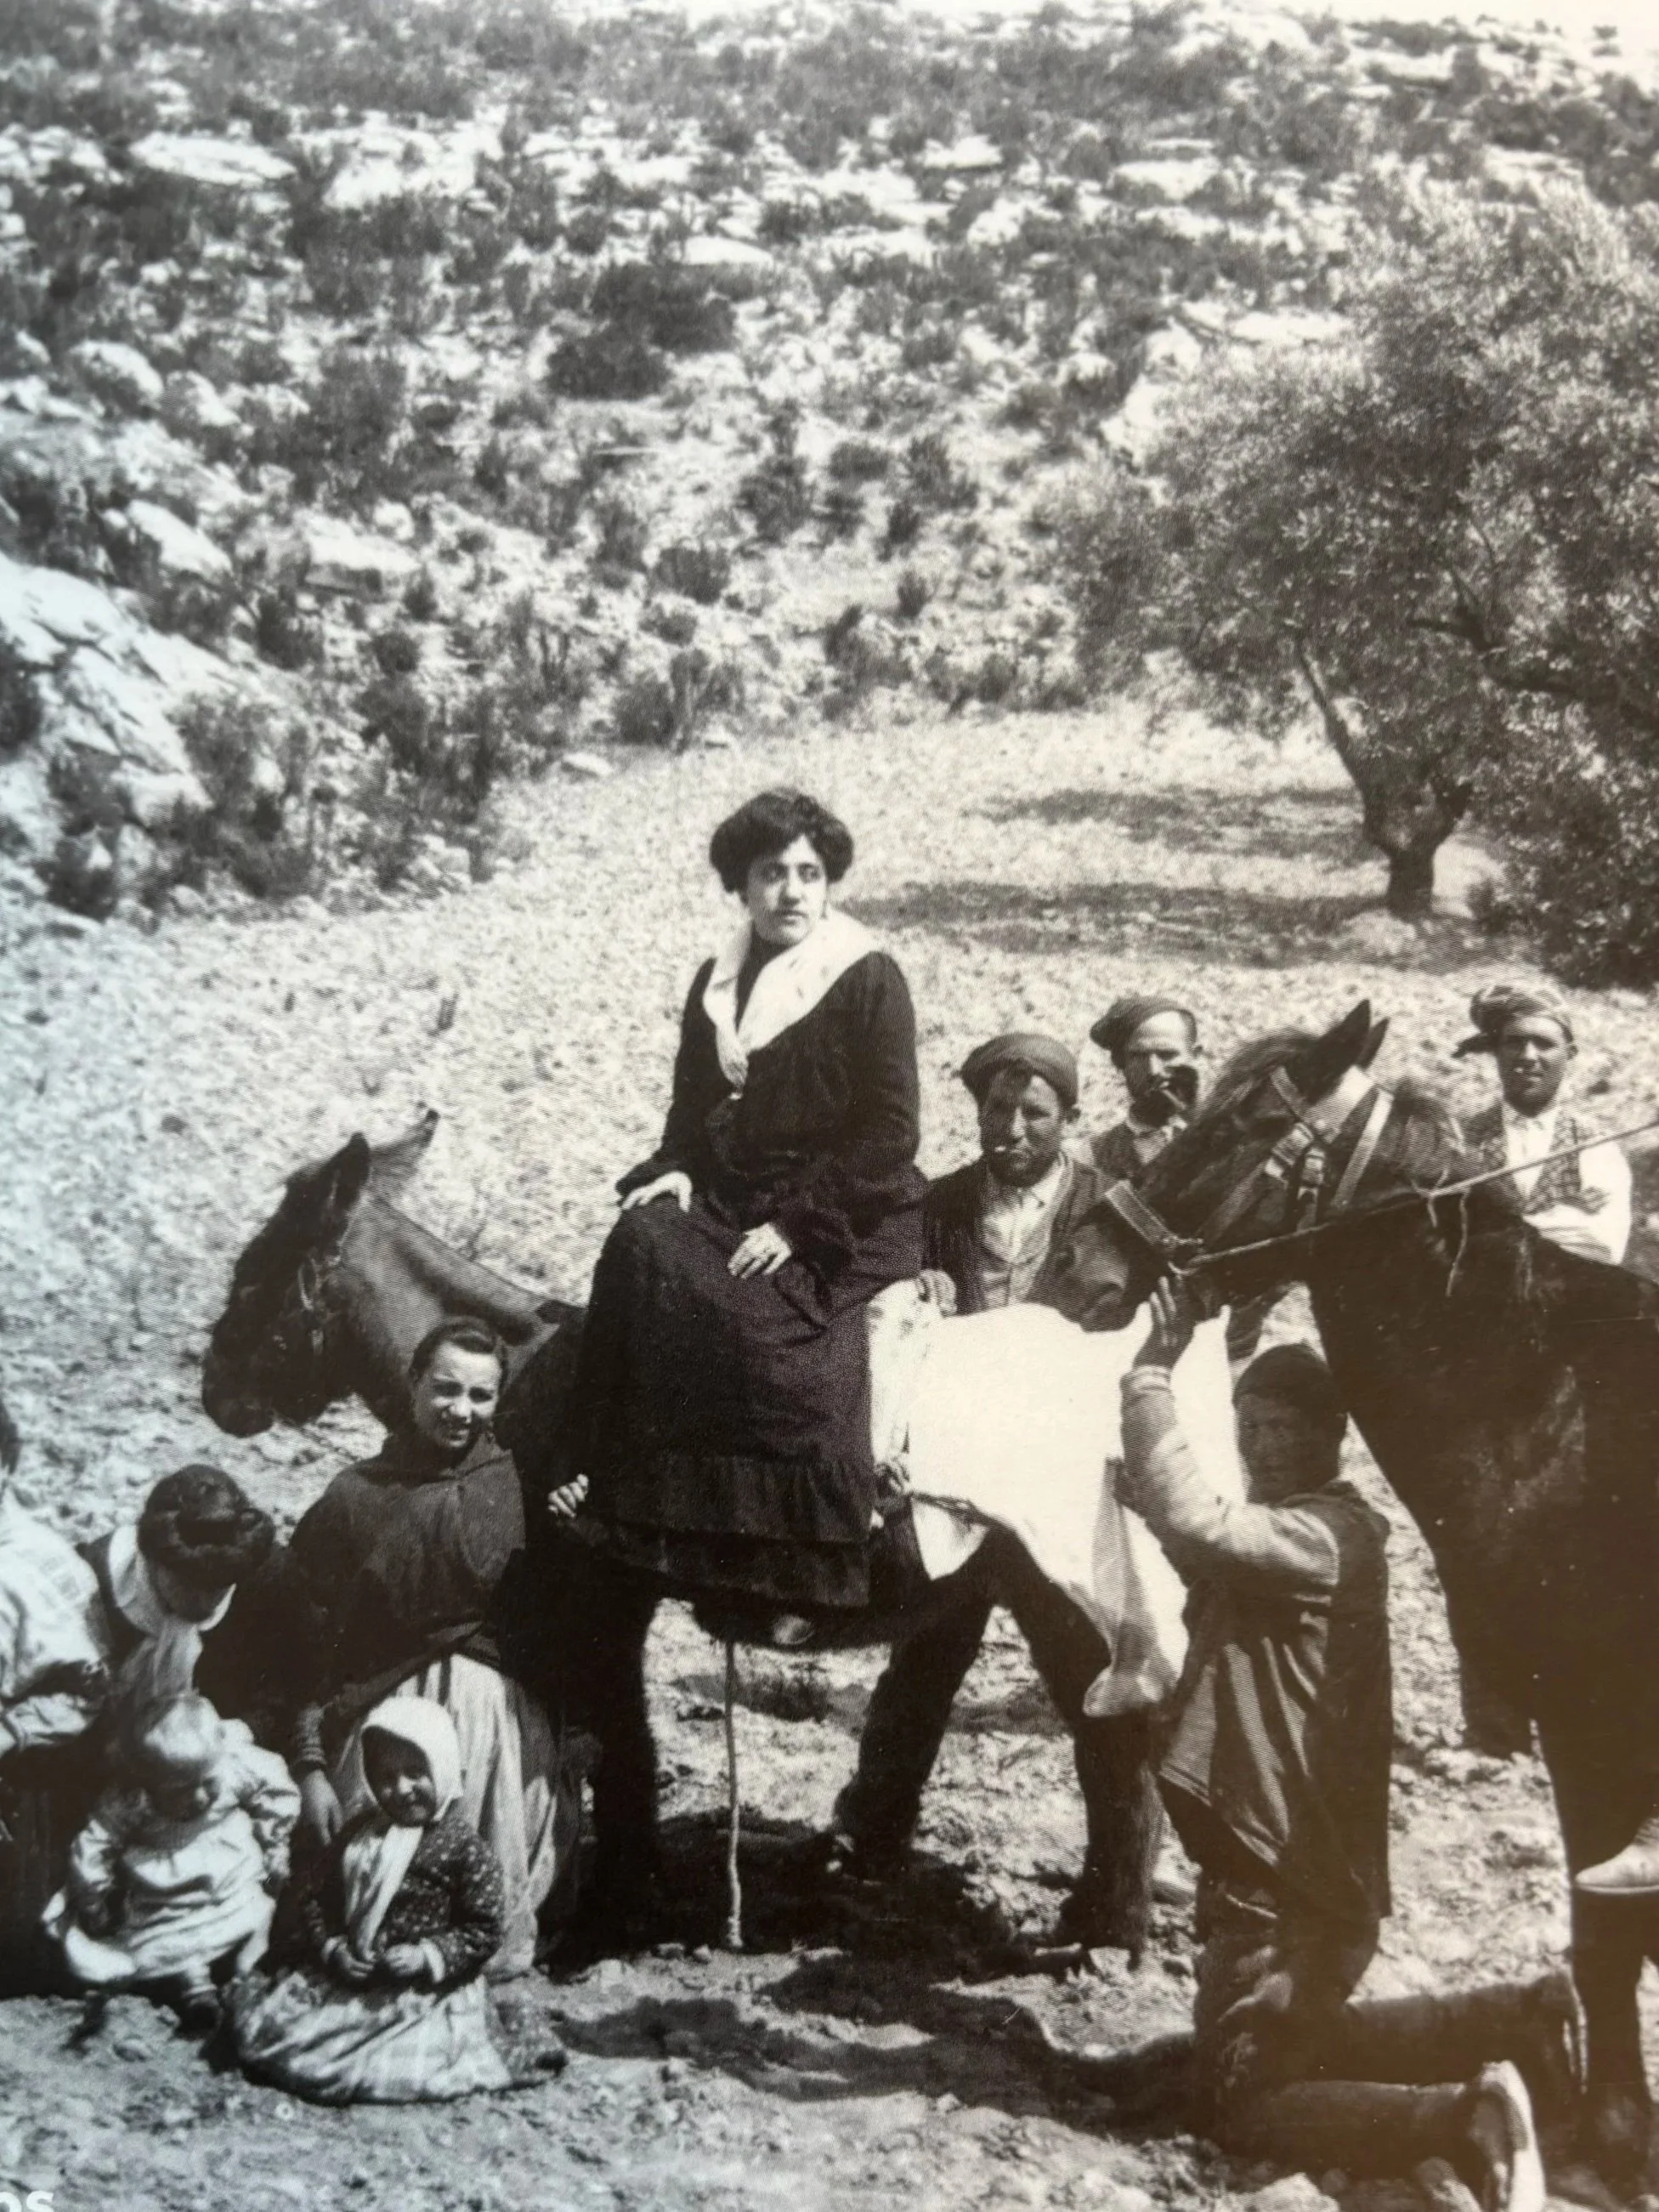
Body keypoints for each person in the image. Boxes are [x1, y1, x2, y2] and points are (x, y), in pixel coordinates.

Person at [1094, 1283, 1571, 2211]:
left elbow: (1209, 1527)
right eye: (1247, 1431)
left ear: (1330, 1439)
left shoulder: (1329, 1536)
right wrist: (1149, 1501)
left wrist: (1150, 1374)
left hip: (1278, 1876)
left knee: (1238, 2100)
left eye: (1278, 1430)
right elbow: (1209, 1560)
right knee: (1298, 2039)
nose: (1259, 1449)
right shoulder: (1310, 1537)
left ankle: (1459, 2115)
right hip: (1304, 1869)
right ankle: (1517, 2018)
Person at [831, 1030, 1164, 1952]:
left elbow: (1148, 1325)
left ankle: (1117, 1892)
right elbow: (887, 1309)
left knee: (1084, 1674)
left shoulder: (1111, 1212)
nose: (1010, 1130)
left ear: (1070, 1121)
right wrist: (916, 1283)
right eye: (994, 1112)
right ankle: (872, 1832)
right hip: (959, 1474)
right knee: (925, 1654)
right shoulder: (939, 1204)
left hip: (1061, 1482)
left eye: (1033, 1115)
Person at [563, 787, 926, 1625]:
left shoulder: (868, 975)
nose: (792, 891)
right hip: (732, 1196)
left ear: (828, 882)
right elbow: (691, 1110)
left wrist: (795, 1224)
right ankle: (624, 1504)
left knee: (761, 1329)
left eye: (808, 872)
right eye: (772, 873)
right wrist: (679, 1169)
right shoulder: (717, 981)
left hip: (848, 1212)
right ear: (741, 885)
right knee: (640, 1245)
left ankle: (796, 1555)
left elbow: (891, 1134)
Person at [288, 1318, 575, 1982]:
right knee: (346, 1905)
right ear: (413, 1384)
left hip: (492, 1724)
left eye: (481, 1396)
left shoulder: (521, 1489)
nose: (461, 1411)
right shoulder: (355, 1496)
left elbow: (559, 1625)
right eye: (445, 1389)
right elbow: (307, 1641)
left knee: (474, 1898)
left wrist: (574, 1526)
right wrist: (307, 1764)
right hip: (379, 1714)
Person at [229, 1699, 558, 2102]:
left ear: (444, 1766)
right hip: (354, 1975)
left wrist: (428, 1955)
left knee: (414, 2060)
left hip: (419, 1990)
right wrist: (333, 1947)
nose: (400, 1789)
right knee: (278, 2035)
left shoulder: (462, 1848)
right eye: (385, 1776)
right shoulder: (358, 1835)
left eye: (416, 1773)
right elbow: (318, 1898)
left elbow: (484, 1928)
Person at [44, 1693, 297, 2028]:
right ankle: (194, 1986)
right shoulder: (133, 1800)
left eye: (208, 1784)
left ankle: (247, 1972)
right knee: (171, 1940)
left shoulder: (232, 1765)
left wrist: (274, 1842)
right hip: (167, 1892)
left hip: (230, 1868)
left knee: (257, 1912)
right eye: (180, 1790)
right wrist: (94, 1904)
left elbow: (275, 1789)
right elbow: (94, 1847)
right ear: (149, 1781)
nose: (200, 1798)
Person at [81, 1464, 315, 1750]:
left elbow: (291, 1689)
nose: (203, 1603)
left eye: (217, 1587)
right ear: (151, 1559)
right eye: (187, 1584)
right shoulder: (96, 1584)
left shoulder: (268, 1577)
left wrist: (237, 1734)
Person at [1456, 982, 1631, 1268]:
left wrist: (1482, 1233)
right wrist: (1561, 1216)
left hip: (1568, 1308)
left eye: (1545, 1043)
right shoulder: (1460, 1140)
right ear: (1495, 1051)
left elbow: (1603, 1244)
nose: (1528, 1056)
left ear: (1569, 1053)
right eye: (1515, 1042)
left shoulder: (1596, 1145)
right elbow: (1435, 1240)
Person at [1087, 996, 1202, 1183]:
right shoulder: (1092, 1158)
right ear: (1119, 1062)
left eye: (1167, 1055)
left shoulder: (1226, 1141)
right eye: (1138, 1057)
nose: (1154, 1071)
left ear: (1195, 1056)